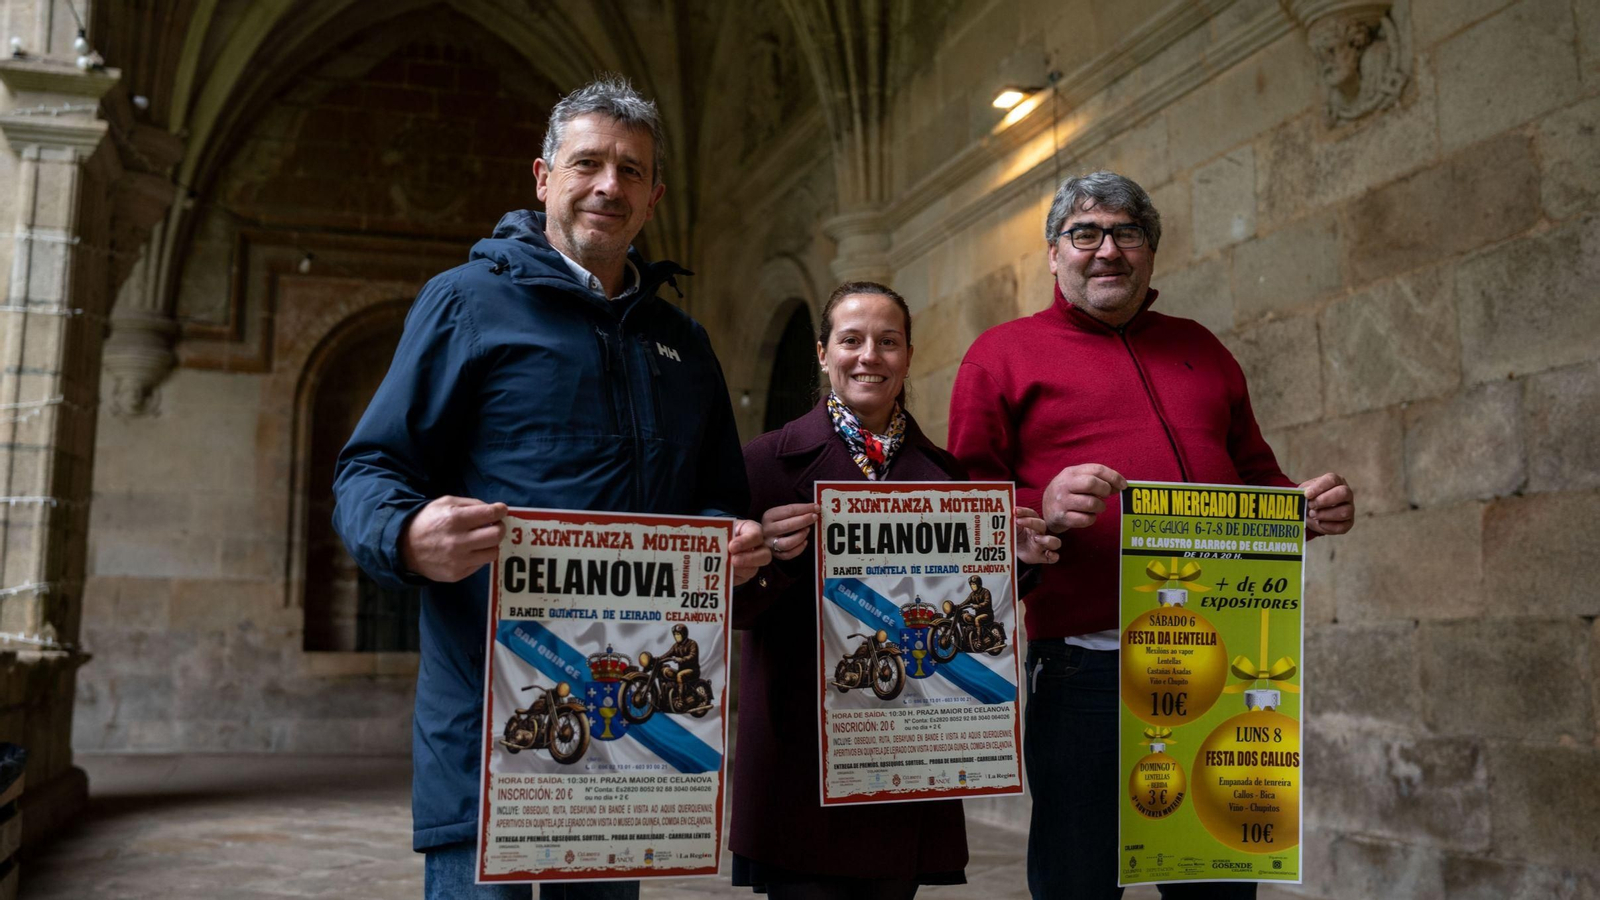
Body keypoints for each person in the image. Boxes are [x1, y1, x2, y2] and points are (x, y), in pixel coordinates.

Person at [331, 75, 768, 900]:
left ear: (653, 198)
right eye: (589, 163)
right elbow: (370, 469)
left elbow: (717, 500)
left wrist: (728, 541)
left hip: (627, 733)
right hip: (493, 723)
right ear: (543, 178)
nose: (610, 185)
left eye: (632, 171)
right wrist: (405, 534)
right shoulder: (466, 304)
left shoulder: (684, 343)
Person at [947, 171, 1356, 900]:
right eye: (1085, 234)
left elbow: (1259, 478)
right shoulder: (1000, 355)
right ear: (1052, 254)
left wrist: (1305, 508)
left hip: (1220, 665)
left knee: (1217, 883)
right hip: (1084, 670)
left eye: (1127, 234)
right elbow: (965, 511)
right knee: (1080, 881)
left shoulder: (1202, 348)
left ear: (1151, 254)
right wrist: (1038, 502)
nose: (1107, 251)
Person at [731, 281, 1061, 900]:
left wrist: (1017, 562)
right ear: (824, 354)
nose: (869, 357)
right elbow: (731, 609)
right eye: (851, 340)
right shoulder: (764, 464)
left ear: (908, 356)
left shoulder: (947, 475)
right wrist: (766, 559)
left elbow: (968, 600)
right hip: (802, 760)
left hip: (908, 756)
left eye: (888, 342)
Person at [660, 623, 701, 689]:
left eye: (678, 634)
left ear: (684, 634)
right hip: (681, 669)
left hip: (693, 670)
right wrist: (658, 659)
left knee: (680, 675)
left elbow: (692, 655)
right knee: (665, 671)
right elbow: (668, 654)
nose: (676, 636)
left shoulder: (692, 643)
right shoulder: (676, 646)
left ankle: (681, 698)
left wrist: (682, 659)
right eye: (675, 634)